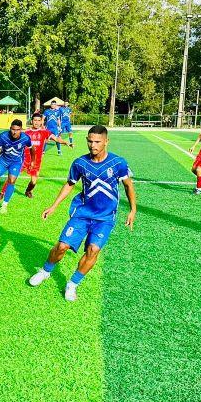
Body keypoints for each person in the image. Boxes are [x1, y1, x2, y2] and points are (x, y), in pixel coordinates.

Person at [29, 125, 136, 301]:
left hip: (105, 218)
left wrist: (133, 210)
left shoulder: (118, 163)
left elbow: (128, 186)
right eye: (90, 141)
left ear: (106, 141)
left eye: (97, 142)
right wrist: (54, 205)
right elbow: (70, 184)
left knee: (93, 250)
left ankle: (72, 284)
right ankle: (45, 271)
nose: (93, 145)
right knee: (62, 246)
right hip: (82, 214)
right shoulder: (80, 163)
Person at [0, 119, 32, 214]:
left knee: (12, 181)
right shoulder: (3, 136)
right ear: (10, 128)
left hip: (16, 162)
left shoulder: (26, 138)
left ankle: (4, 205)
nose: (15, 132)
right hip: (3, 161)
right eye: (13, 129)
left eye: (18, 130)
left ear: (21, 129)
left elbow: (32, 149)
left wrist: (33, 161)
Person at [21, 112, 69, 198]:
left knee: (34, 181)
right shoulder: (26, 132)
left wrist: (65, 142)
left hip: (36, 161)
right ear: (32, 121)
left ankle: (28, 191)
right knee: (13, 176)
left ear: (41, 122)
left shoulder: (45, 132)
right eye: (35, 120)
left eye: (39, 120)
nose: (37, 122)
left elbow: (56, 138)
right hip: (24, 159)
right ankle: (2, 193)